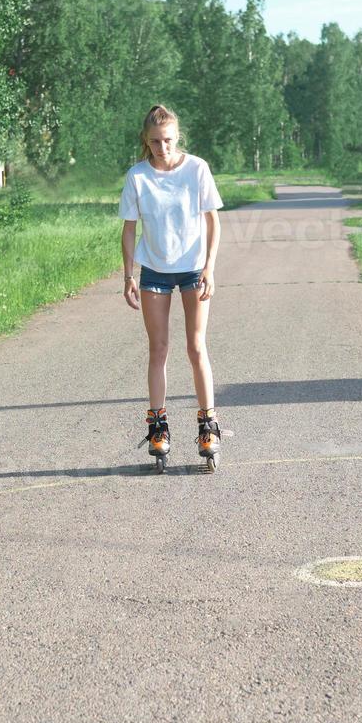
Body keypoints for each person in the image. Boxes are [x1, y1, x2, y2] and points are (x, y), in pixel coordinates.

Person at [118, 104, 224, 468]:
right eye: (154, 142)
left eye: (167, 140)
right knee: (158, 349)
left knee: (196, 347)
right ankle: (159, 427)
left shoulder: (197, 169)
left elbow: (213, 223)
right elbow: (129, 228)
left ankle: (208, 424)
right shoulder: (137, 176)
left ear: (177, 137)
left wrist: (210, 268)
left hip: (194, 268)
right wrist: (128, 275)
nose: (162, 148)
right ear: (145, 142)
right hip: (155, 271)